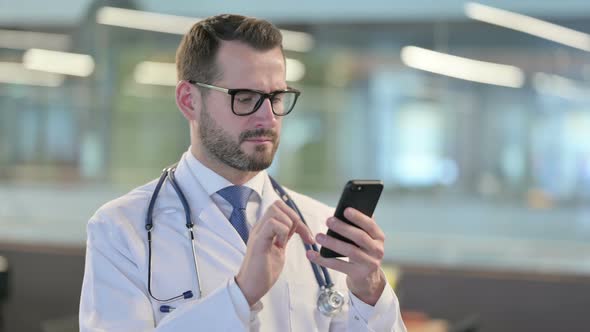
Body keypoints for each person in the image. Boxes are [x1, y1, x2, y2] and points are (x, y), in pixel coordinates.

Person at [79, 13, 406, 332]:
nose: (268, 117)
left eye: (276, 97)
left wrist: (369, 289)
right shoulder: (121, 229)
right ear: (189, 100)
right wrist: (240, 295)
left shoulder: (320, 228)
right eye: (245, 98)